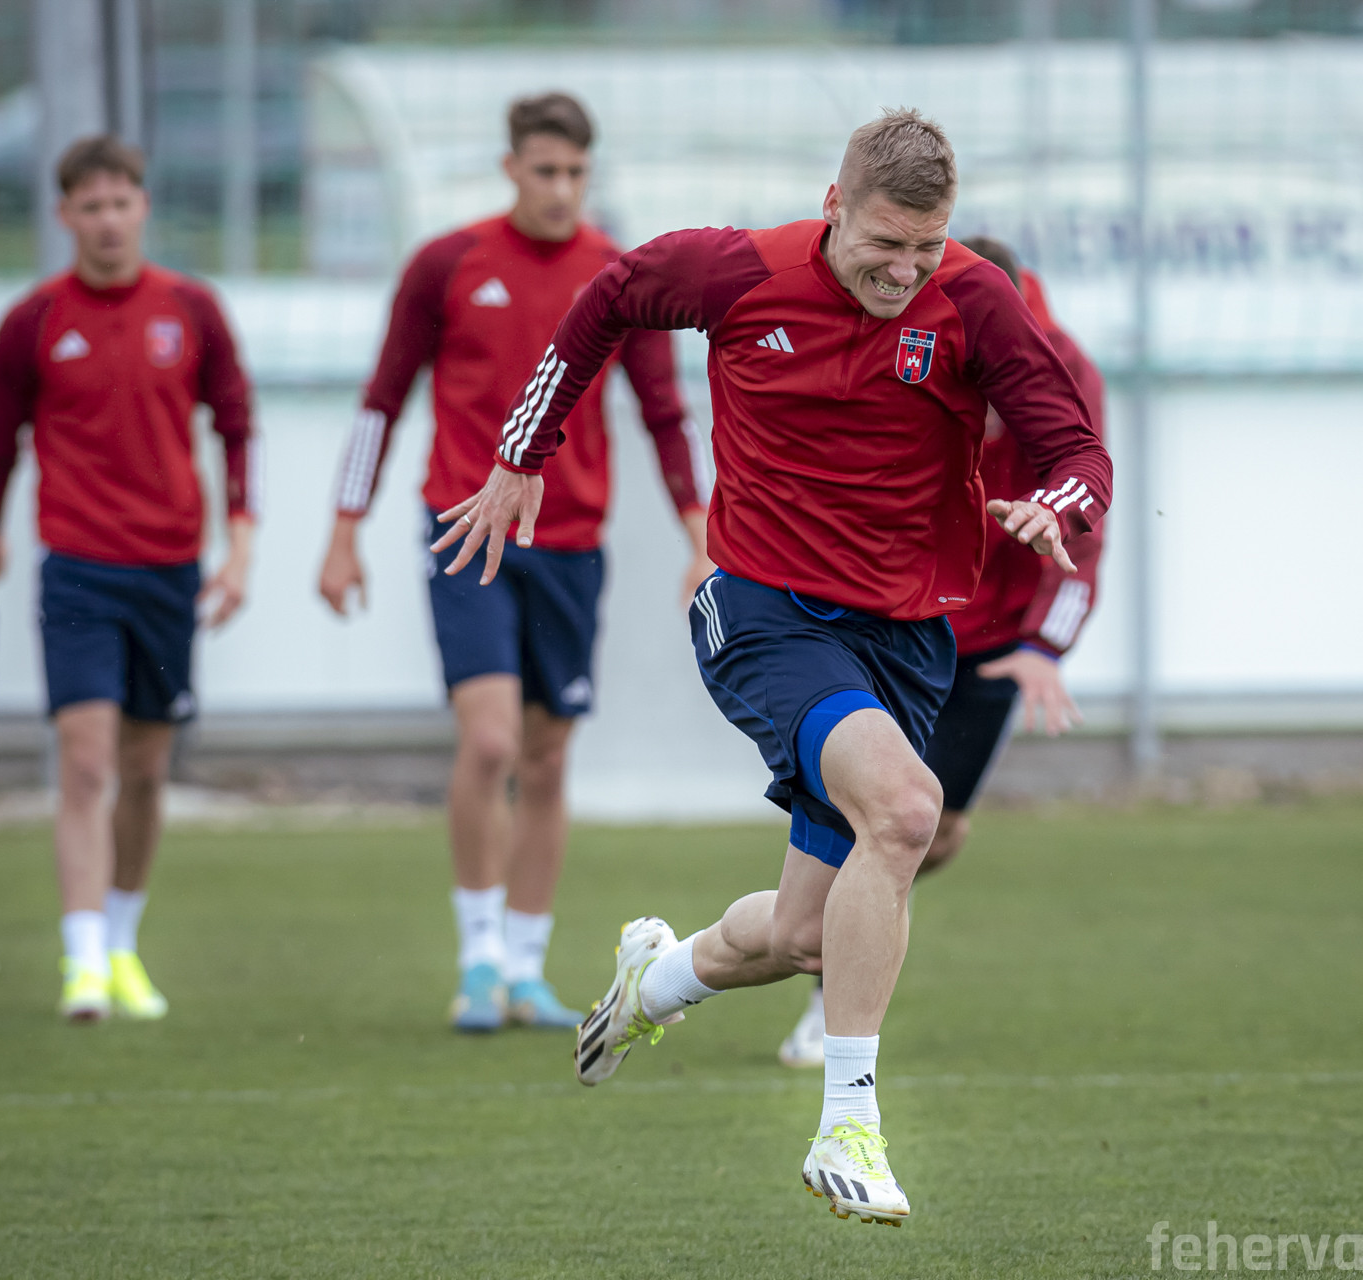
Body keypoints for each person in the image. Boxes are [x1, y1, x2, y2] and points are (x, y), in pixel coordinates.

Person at [432, 109, 1112, 1224]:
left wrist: (1057, 503)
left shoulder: (976, 297)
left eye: (926, 247)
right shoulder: (737, 271)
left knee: (802, 933)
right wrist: (522, 455)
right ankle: (849, 1125)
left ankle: (654, 979)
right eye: (884, 242)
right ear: (834, 206)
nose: (904, 271)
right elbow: (606, 301)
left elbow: (1078, 448)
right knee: (908, 810)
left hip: (907, 640)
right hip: (765, 610)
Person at [317, 93, 712, 1033]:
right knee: (490, 742)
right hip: (468, 530)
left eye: (576, 172)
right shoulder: (447, 264)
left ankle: (529, 968)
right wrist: (343, 530)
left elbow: (665, 415)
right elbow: (381, 401)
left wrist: (701, 537)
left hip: (570, 543)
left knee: (546, 754)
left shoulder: (617, 278)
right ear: (511, 169)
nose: (561, 189)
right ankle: (480, 958)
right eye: (545, 171)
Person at [775, 234, 1107, 1070]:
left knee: (938, 831)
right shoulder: (897, 332)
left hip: (992, 641)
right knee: (886, 817)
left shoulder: (1060, 368)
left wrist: (1046, 645)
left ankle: (820, 942)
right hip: (891, 623)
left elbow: (1086, 517)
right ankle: (829, 1001)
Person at [0, 136, 257, 1024]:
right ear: (66, 216)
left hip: (169, 572)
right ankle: (82, 958)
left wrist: (240, 548)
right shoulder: (34, 321)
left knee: (146, 770)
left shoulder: (191, 309)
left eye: (122, 203)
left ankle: (121, 943)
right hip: (78, 571)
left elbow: (238, 428)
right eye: (91, 206)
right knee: (84, 762)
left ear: (143, 207)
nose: (109, 220)